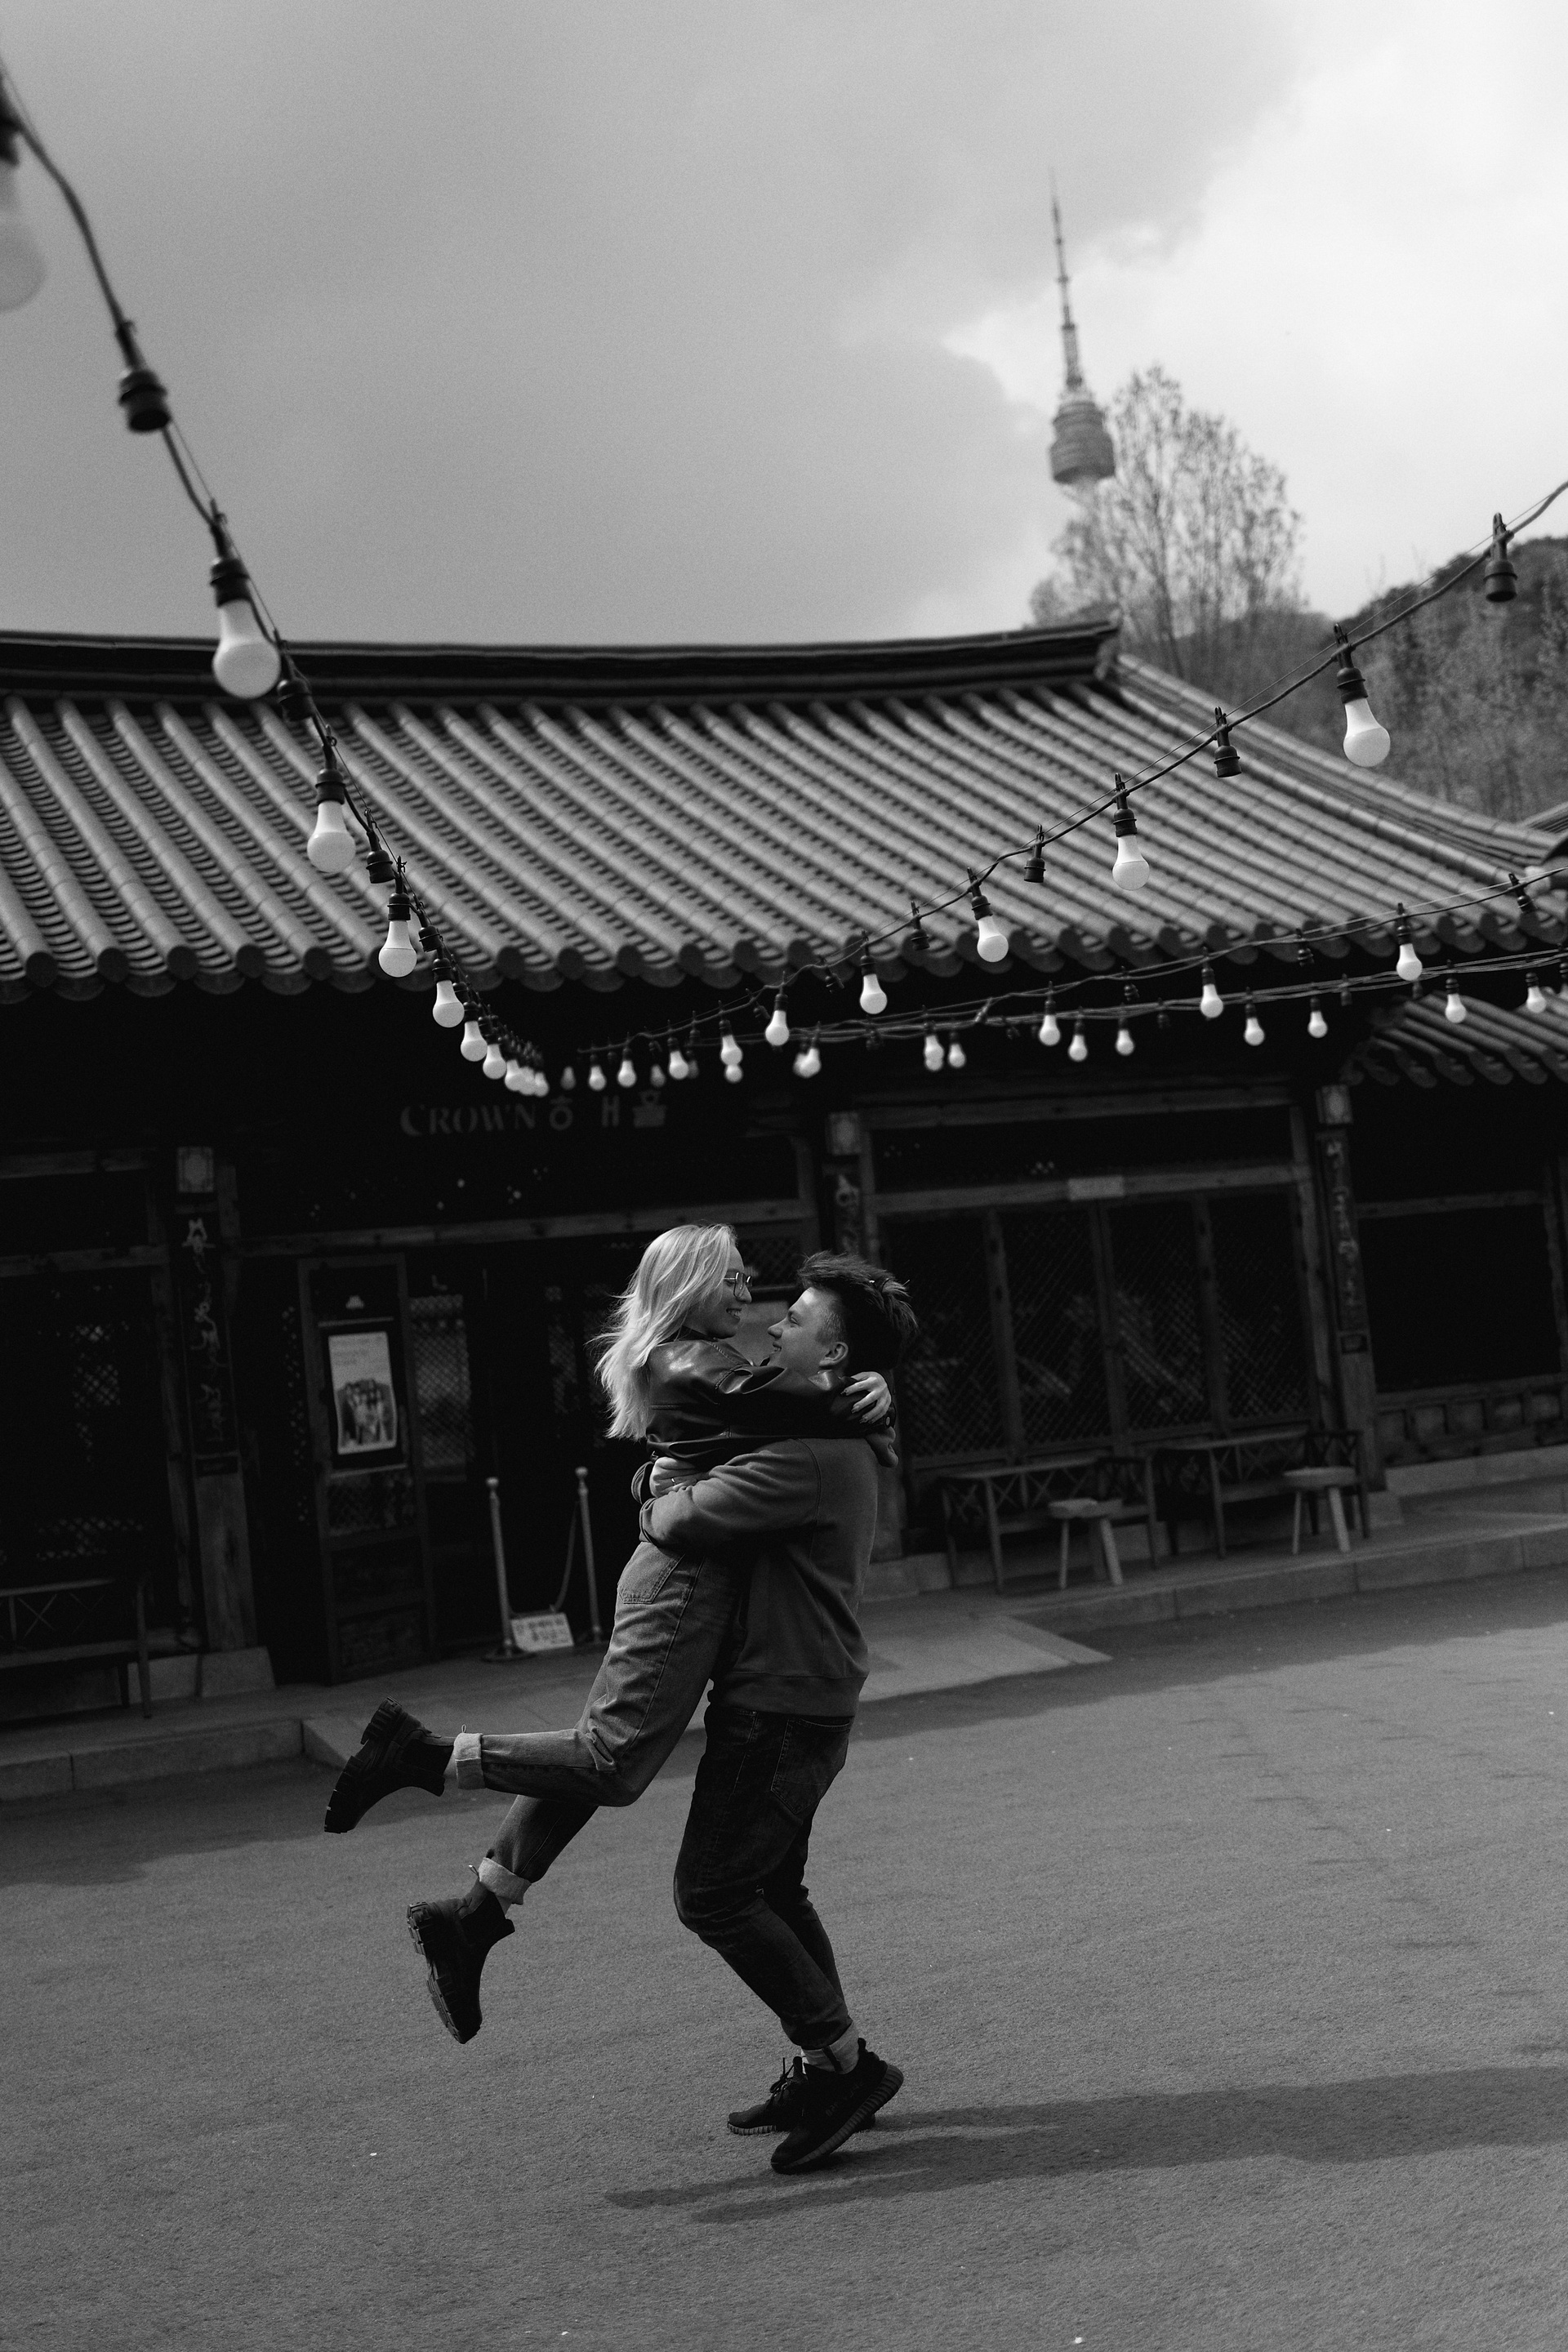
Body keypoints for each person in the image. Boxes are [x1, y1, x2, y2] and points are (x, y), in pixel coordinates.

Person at [322, 1225, 892, 2042]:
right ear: (689, 1285)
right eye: (733, 1279)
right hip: (684, 1576)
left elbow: (737, 1434)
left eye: (779, 1306)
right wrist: (864, 1402)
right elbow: (757, 1424)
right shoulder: (698, 1362)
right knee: (611, 1761)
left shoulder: (704, 1362)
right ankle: (421, 1758)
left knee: (600, 1759)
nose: (760, 1306)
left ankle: (477, 1914)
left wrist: (861, 1394)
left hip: (688, 1578)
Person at [639, 1253, 919, 2172]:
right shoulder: (827, 1428)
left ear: (832, 1352)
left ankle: (846, 2066)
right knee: (773, 1889)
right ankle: (830, 2064)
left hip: (781, 1703)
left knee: (713, 1894)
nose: (772, 1325)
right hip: (804, 1693)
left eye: (794, 1319)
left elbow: (681, 1519)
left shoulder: (803, 1452)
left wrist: (653, 1485)